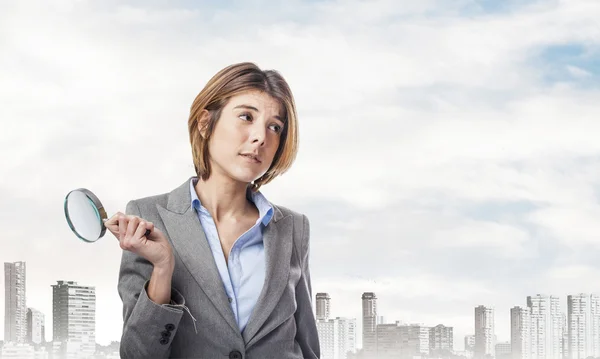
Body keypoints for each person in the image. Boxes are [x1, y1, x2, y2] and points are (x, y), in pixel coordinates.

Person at [104, 62, 320, 359]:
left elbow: (308, 346)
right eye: (246, 117)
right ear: (205, 124)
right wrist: (163, 270)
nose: (261, 137)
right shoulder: (149, 217)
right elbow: (138, 355)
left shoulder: (293, 228)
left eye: (275, 127)